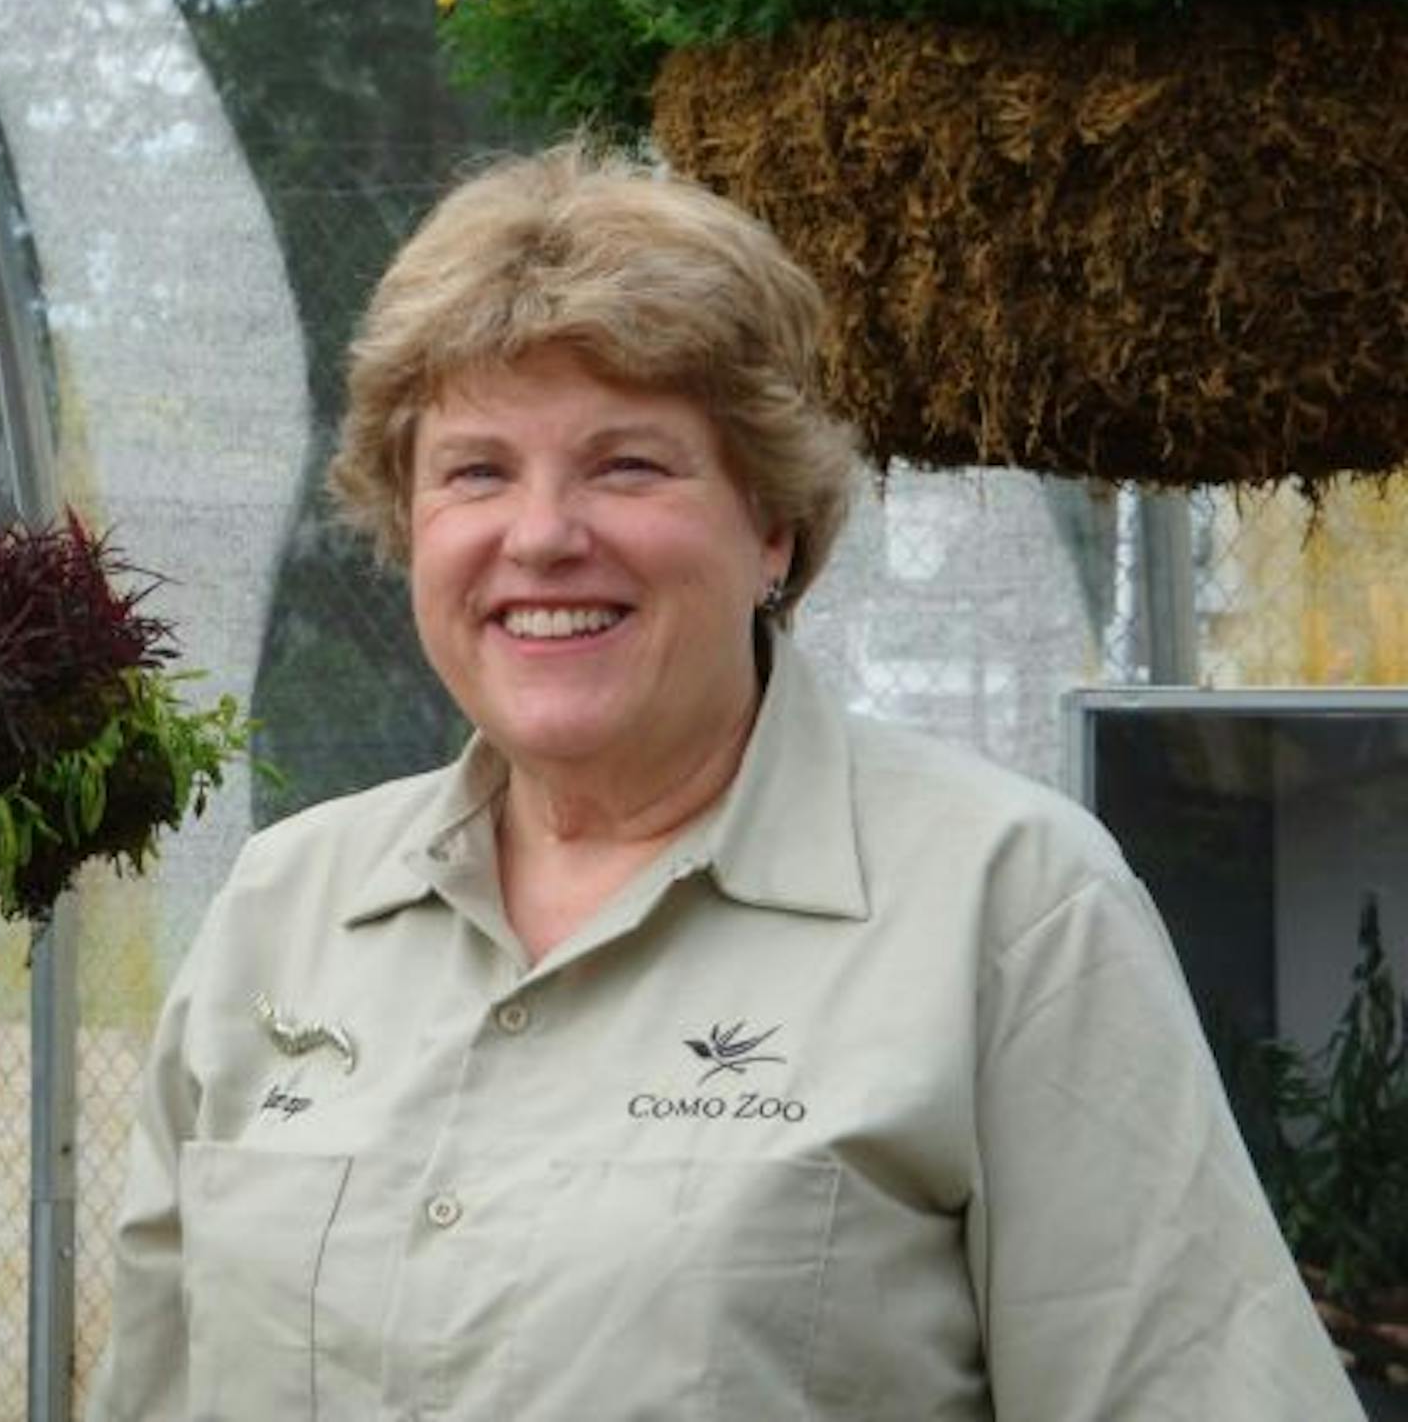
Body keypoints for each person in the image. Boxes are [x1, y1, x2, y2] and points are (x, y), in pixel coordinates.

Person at [88, 143, 1358, 1419]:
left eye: (627, 465)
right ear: (407, 524)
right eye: (476, 471)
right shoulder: (285, 911)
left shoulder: (1009, 908)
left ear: (772, 528)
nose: (542, 536)